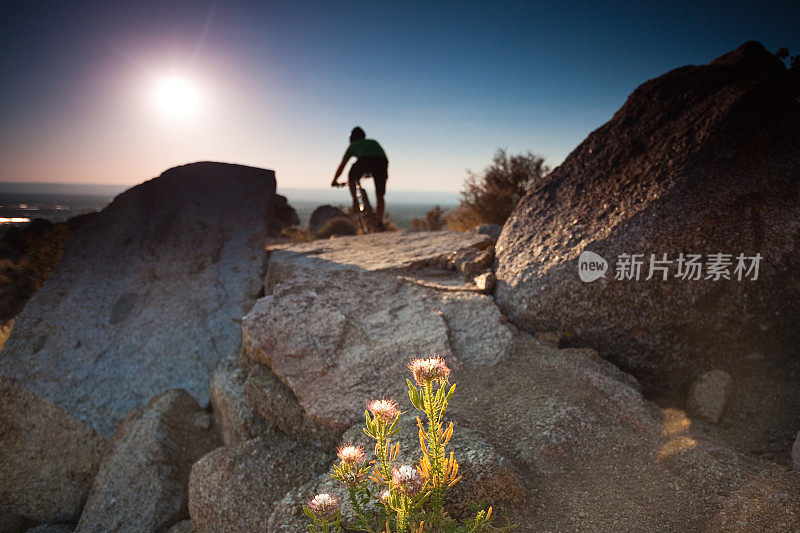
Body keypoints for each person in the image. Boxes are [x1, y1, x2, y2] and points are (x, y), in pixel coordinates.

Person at [331, 126, 389, 224]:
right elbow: (379, 158)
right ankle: (379, 221)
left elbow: (342, 165)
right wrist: (371, 172)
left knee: (351, 176)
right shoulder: (373, 142)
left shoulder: (353, 145)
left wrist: (334, 180)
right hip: (382, 162)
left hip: (364, 161)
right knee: (380, 195)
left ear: (352, 138)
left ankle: (355, 201)